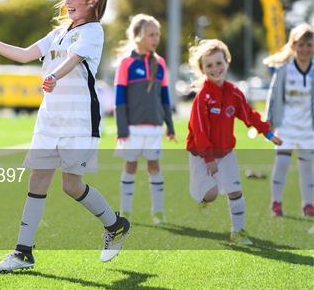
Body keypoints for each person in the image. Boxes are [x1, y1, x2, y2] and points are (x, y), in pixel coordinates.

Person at [0, 0, 130, 273]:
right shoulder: (59, 32)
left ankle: (115, 224)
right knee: (38, 179)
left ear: (93, 1)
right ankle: (23, 252)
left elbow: (74, 59)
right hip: (49, 121)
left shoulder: (93, 31)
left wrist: (54, 74)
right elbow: (26, 54)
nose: (68, 1)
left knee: (71, 186)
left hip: (78, 123)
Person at [186, 39, 282, 245]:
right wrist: (209, 158)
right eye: (209, 65)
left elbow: (249, 115)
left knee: (235, 191)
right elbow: (199, 130)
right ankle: (202, 196)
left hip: (226, 153)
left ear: (227, 61)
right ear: (203, 69)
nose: (215, 68)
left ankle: (238, 233)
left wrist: (267, 132)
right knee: (210, 195)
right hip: (201, 154)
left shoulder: (234, 93)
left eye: (219, 63)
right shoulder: (202, 97)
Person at [113, 14, 175, 224]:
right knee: (130, 166)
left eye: (157, 34)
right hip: (131, 128)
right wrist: (122, 128)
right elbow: (119, 99)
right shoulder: (126, 64)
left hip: (154, 128)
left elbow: (165, 97)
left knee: (154, 166)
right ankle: (125, 211)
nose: (155, 38)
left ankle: (158, 212)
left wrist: (170, 125)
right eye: (151, 34)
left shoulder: (161, 63)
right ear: (137, 35)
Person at [264, 23, 314, 217]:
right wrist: (269, 121)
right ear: (293, 46)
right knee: (282, 165)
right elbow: (274, 95)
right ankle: (276, 203)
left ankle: (308, 204)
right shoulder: (284, 70)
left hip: (308, 129)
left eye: (309, 44)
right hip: (286, 127)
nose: (304, 49)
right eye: (300, 44)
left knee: (307, 169)